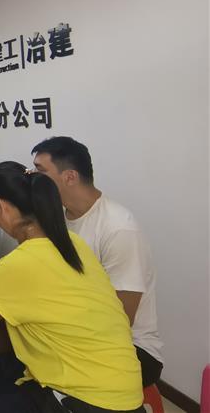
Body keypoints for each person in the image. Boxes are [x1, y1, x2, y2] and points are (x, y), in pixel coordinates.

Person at [0, 169, 144, 413]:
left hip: (84, 399)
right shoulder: (73, 244)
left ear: (0, 207)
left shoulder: (21, 262)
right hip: (125, 389)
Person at [32, 136, 162, 387]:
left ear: (70, 177)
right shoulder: (57, 219)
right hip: (77, 330)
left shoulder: (118, 228)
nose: (34, 180)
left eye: (40, 172)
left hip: (128, 347)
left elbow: (121, 318)